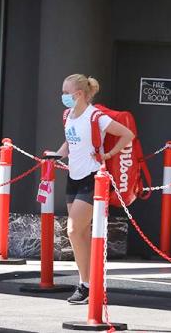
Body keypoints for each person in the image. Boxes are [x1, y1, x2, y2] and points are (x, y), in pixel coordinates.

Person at [46, 73, 134, 305]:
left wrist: (108, 154)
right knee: (80, 234)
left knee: (74, 230)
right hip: (73, 178)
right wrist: (56, 155)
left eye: (66, 93)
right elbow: (69, 143)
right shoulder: (68, 115)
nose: (63, 96)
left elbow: (127, 135)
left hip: (93, 178)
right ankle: (88, 283)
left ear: (79, 94)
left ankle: (87, 284)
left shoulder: (96, 116)